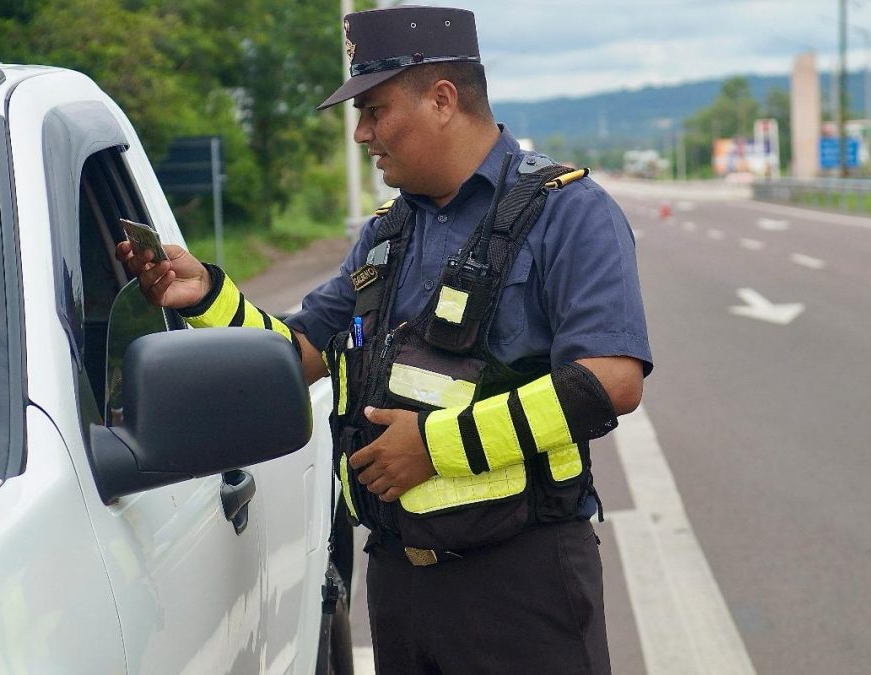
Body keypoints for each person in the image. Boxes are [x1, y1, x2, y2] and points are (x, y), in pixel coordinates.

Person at [118, 6, 651, 673]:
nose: (362, 134)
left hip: (524, 579)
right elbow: (300, 351)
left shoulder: (569, 211)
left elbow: (610, 380)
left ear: (442, 99)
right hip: (401, 582)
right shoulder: (387, 233)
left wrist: (434, 447)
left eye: (374, 110)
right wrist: (205, 294)